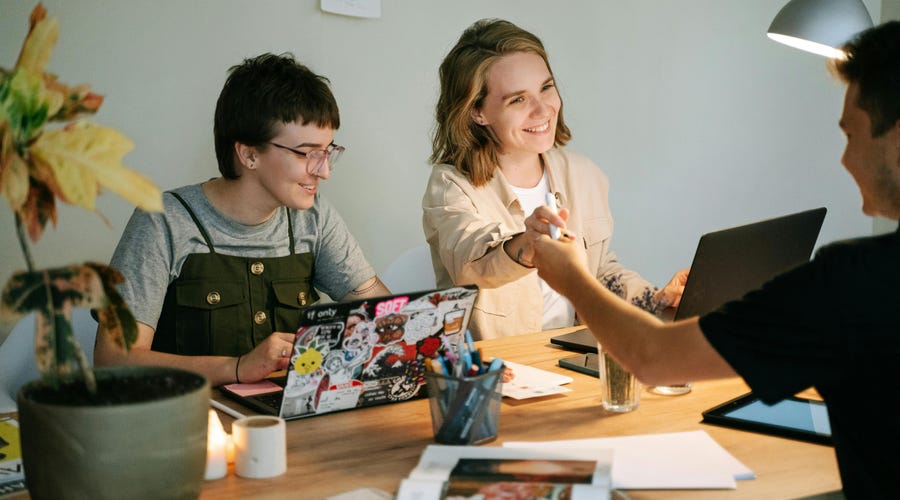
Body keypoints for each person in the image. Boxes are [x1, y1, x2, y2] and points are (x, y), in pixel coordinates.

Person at [532, 21, 900, 499]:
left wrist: (570, 276)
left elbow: (653, 357)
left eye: (851, 135)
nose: (845, 159)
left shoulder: (853, 284)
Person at [94, 53, 391, 386]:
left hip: (286, 414)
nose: (324, 171)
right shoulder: (163, 222)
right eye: (308, 153)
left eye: (328, 151)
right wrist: (236, 367)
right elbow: (113, 360)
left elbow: (387, 318)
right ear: (249, 154)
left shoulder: (314, 218)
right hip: (189, 414)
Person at [422, 18, 687, 340]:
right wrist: (529, 244)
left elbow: (598, 272)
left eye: (546, 88)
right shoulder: (451, 186)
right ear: (477, 112)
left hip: (571, 354)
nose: (543, 110)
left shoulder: (583, 173)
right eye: (517, 99)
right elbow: (471, 263)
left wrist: (658, 299)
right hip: (500, 361)